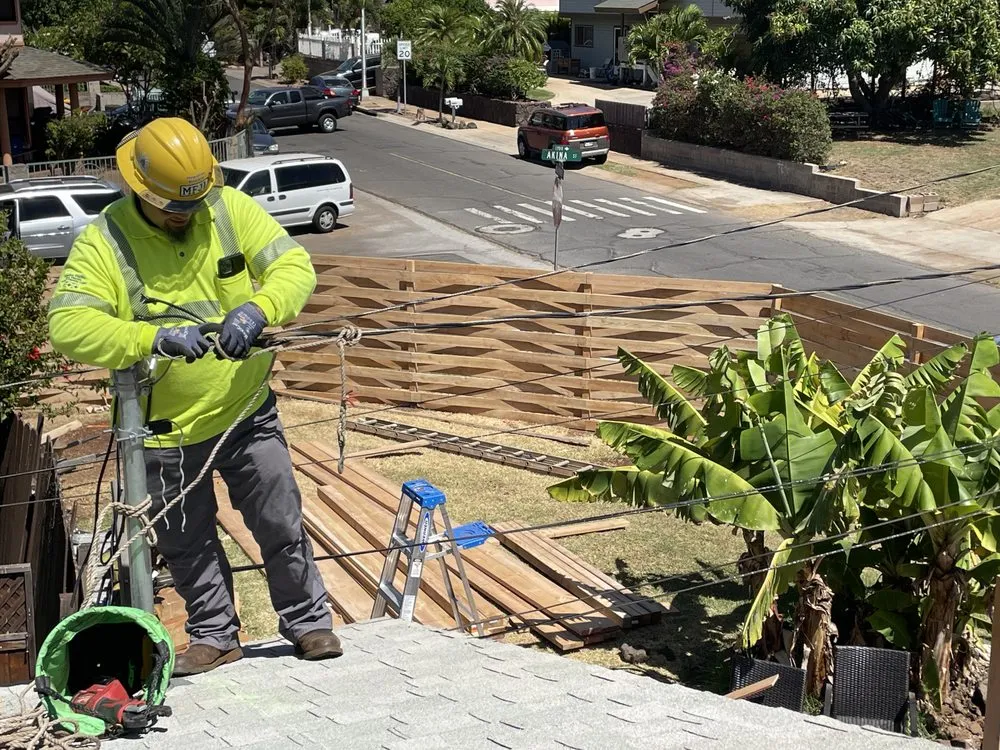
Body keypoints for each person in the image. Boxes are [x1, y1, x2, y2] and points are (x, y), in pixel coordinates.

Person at [47, 117, 341, 676]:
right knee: (188, 542)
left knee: (280, 521)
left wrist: (259, 308)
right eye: (171, 207)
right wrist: (149, 337)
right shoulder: (105, 241)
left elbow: (292, 265)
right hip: (166, 432)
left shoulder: (228, 209)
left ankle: (308, 622)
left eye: (192, 203)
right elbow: (69, 324)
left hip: (245, 411)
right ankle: (214, 634)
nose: (184, 215)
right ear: (139, 187)